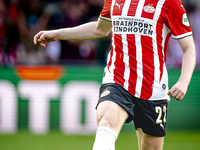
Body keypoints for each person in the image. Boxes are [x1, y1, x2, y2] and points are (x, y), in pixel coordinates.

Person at [33, 0, 196, 149]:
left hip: (153, 89)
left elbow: (188, 47)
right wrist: (57, 34)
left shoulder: (170, 3)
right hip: (117, 79)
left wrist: (184, 81)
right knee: (107, 124)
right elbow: (100, 29)